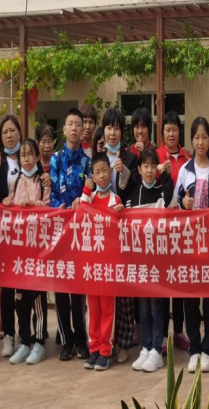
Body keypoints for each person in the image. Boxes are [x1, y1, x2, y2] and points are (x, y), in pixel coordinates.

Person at [175, 117, 209, 373]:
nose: (201, 142)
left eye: (204, 137)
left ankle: (208, 349)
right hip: (189, 244)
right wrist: (184, 205)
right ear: (192, 140)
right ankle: (194, 349)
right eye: (196, 137)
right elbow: (175, 204)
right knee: (190, 299)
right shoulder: (185, 170)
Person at [122, 148, 175, 373]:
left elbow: (172, 206)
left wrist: (167, 176)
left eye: (154, 166)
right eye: (146, 166)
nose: (150, 170)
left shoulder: (163, 191)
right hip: (140, 262)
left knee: (157, 307)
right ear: (139, 169)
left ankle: (156, 350)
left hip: (158, 262)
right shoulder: (133, 194)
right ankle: (145, 347)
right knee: (143, 309)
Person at [49, 108, 92, 362]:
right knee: (61, 288)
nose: (74, 128)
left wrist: (81, 204)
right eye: (70, 124)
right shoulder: (55, 159)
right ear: (64, 129)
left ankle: (80, 340)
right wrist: (61, 208)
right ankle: (65, 341)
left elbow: (91, 193)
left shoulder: (88, 162)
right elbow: (52, 193)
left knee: (78, 289)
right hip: (59, 230)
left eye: (78, 124)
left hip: (80, 233)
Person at [4, 139, 51, 367]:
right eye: (23, 155)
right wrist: (8, 202)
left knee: (38, 299)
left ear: (37, 156)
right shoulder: (16, 180)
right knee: (20, 299)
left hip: (38, 249)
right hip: (20, 251)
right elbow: (11, 205)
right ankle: (24, 341)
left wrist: (34, 205)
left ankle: (39, 341)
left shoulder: (44, 180)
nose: (26, 158)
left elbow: (49, 207)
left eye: (30, 154)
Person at [77, 153, 124, 372]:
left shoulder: (116, 201)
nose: (102, 175)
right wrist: (86, 191)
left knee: (107, 309)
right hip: (91, 265)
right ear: (93, 177)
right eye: (97, 172)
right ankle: (94, 348)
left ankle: (106, 350)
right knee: (93, 309)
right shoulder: (90, 198)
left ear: (111, 172)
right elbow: (80, 215)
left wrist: (118, 214)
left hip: (108, 266)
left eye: (105, 170)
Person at [98, 108, 137, 363]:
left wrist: (123, 172)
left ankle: (123, 343)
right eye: (109, 127)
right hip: (99, 235)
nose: (112, 133)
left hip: (122, 232)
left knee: (123, 291)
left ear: (123, 132)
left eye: (117, 128)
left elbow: (133, 191)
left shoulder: (130, 158)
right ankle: (103, 342)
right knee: (102, 290)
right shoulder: (97, 156)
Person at [155, 110, 191, 350]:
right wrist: (159, 169)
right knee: (161, 282)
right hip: (160, 229)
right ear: (162, 133)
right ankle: (160, 335)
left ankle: (179, 331)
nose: (171, 133)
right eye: (167, 129)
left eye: (175, 129)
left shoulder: (188, 156)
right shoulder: (156, 156)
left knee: (179, 282)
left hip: (183, 228)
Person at [0, 114, 23, 357]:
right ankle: (9, 335)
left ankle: (26, 333)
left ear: (20, 132)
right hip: (6, 232)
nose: (9, 135)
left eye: (13, 130)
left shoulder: (28, 155)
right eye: (5, 132)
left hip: (27, 232)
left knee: (25, 287)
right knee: (7, 287)